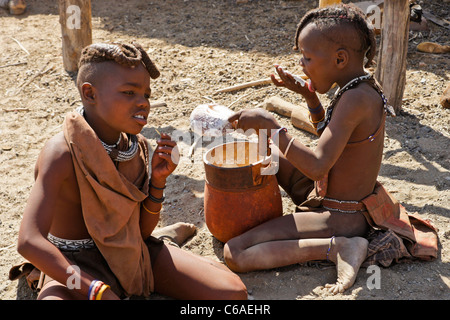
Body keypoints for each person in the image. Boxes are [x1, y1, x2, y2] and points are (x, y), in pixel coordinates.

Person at [225, 4, 437, 294]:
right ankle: (277, 219)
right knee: (266, 153)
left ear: (340, 59)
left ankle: (336, 248)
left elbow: (317, 165)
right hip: (328, 196)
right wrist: (309, 98)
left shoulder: (356, 99)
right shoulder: (358, 87)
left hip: (340, 218)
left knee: (234, 252)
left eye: (308, 57)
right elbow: (333, 141)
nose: (301, 63)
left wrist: (271, 126)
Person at [16, 42, 247, 300]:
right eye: (129, 93)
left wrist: (158, 181)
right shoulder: (61, 153)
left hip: (129, 252)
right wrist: (95, 290)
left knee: (232, 293)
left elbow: (140, 232)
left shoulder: (135, 148)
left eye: (146, 95)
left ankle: (166, 242)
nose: (143, 104)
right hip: (73, 265)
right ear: (90, 94)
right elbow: (29, 241)